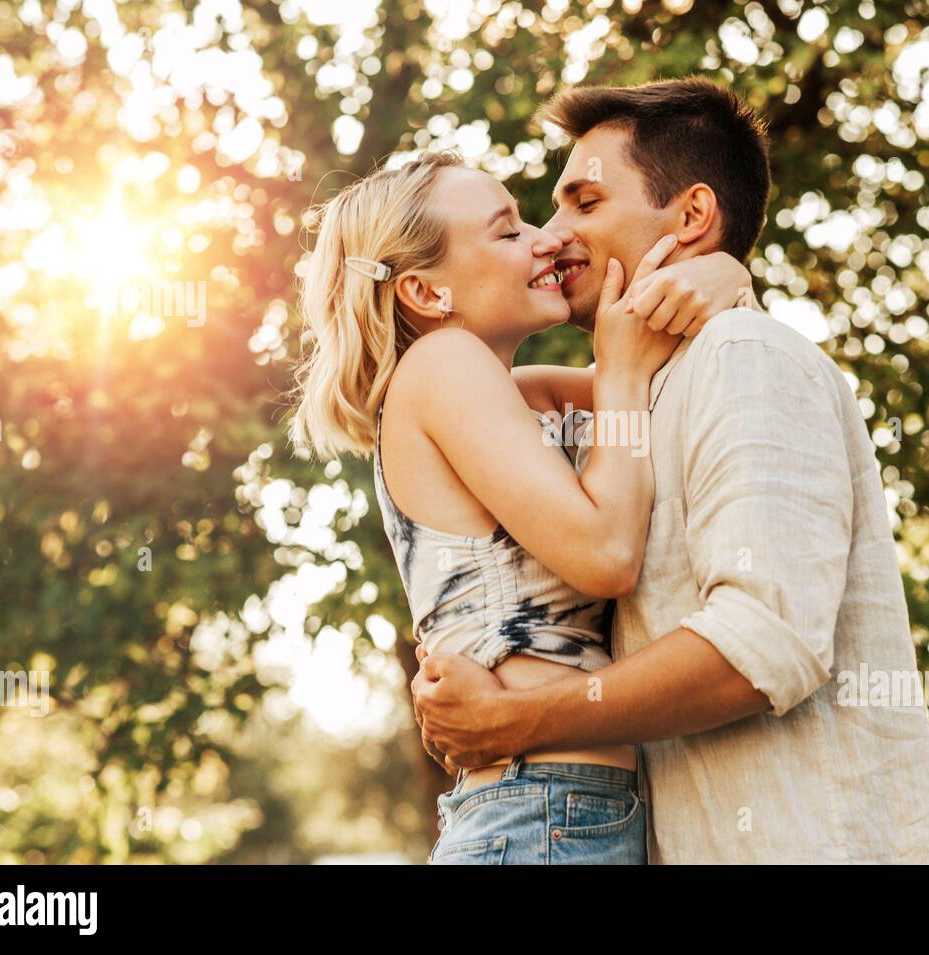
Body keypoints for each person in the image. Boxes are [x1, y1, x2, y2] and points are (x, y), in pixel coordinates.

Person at [411, 77, 929, 864]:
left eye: (585, 204)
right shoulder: (629, 399)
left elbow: (758, 644)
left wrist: (519, 722)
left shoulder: (747, 359)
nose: (552, 235)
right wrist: (723, 278)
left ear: (693, 216)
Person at [288, 148, 752, 863]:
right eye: (506, 232)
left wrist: (726, 273)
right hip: (539, 811)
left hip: (559, 809)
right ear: (426, 293)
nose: (547, 237)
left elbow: (667, 367)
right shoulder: (443, 367)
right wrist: (623, 371)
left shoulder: (514, 393)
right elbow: (606, 553)